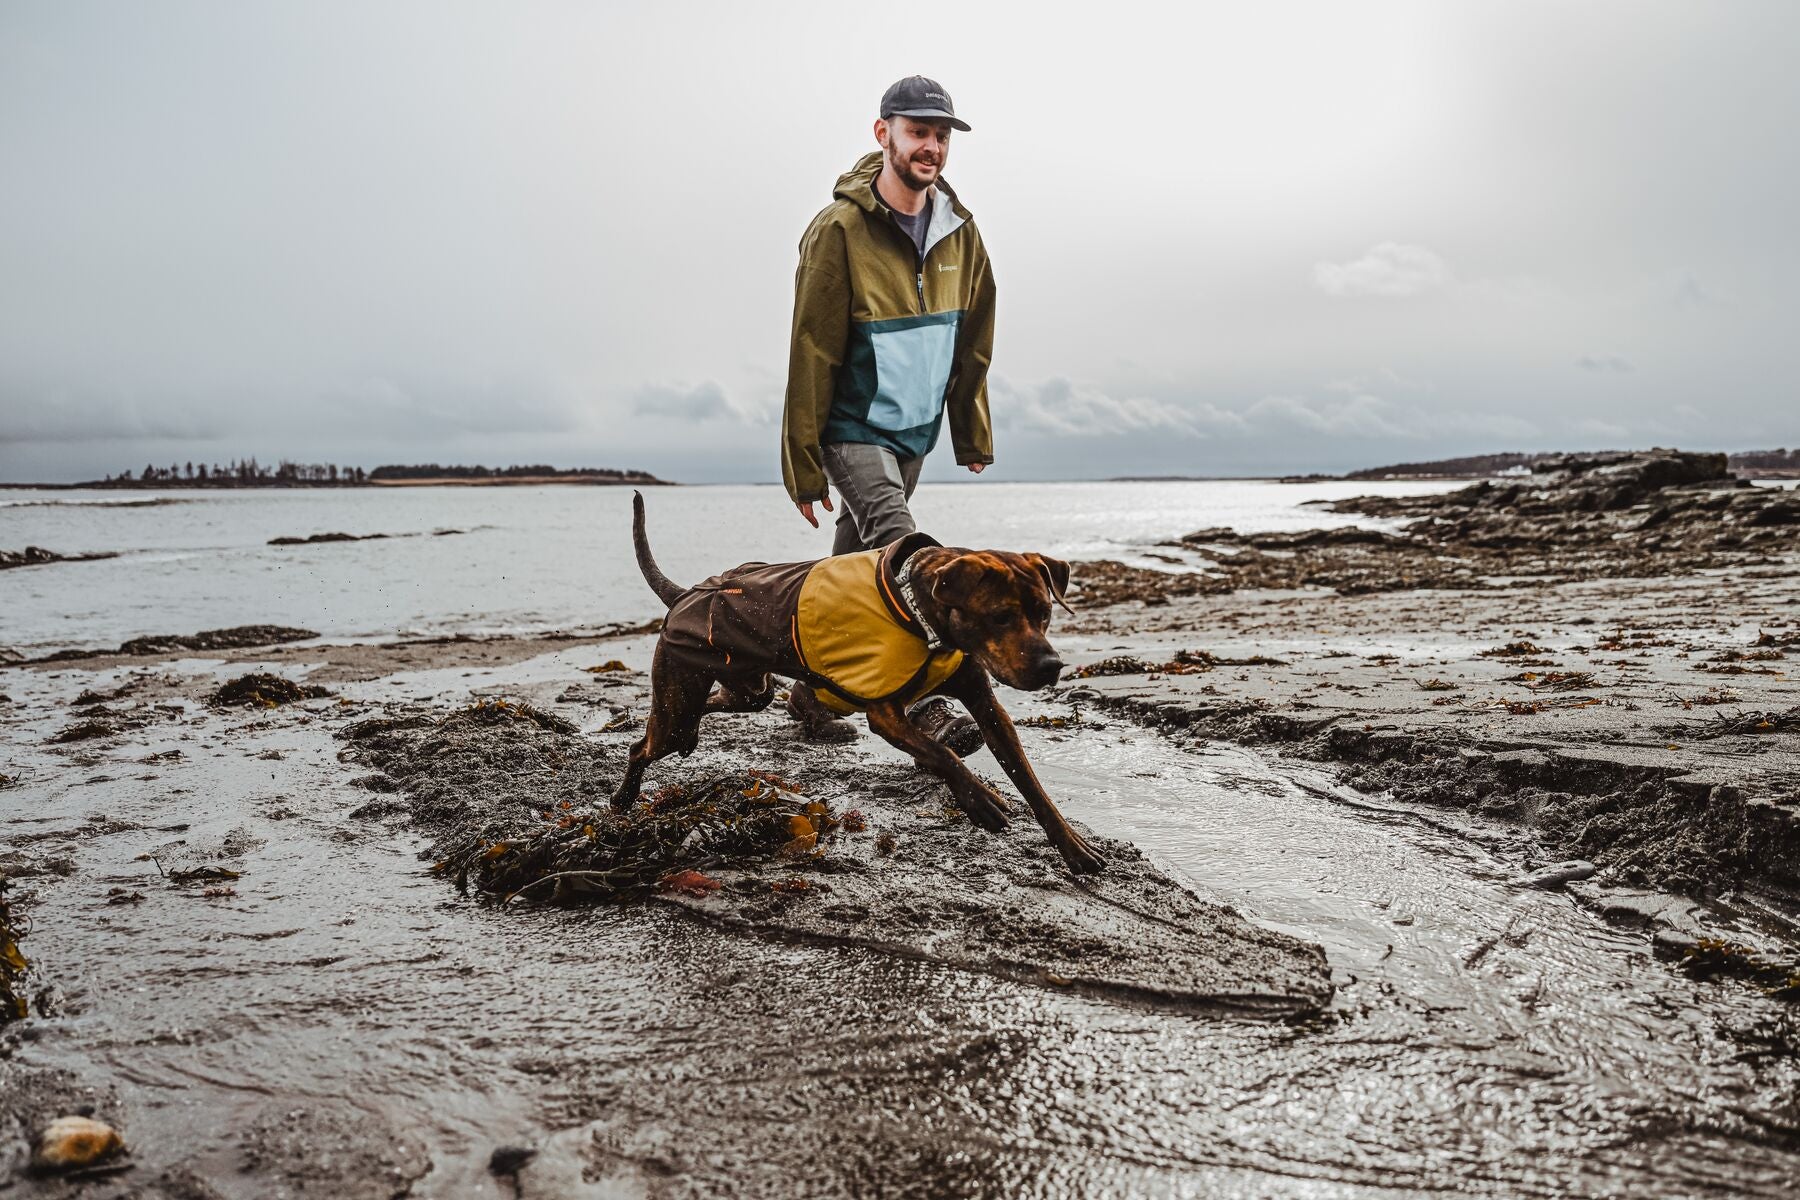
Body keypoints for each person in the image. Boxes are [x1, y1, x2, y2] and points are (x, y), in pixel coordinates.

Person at [779, 75, 997, 748]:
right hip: (852, 426)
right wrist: (804, 465)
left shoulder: (961, 232)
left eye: (940, 135)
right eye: (917, 132)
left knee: (851, 571)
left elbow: (975, 335)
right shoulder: (838, 229)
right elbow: (811, 348)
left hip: (914, 431)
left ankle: (811, 696)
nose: (930, 146)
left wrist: (969, 427)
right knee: (905, 550)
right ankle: (925, 699)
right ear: (884, 134)